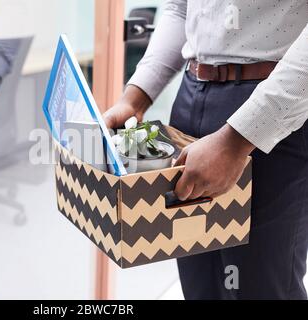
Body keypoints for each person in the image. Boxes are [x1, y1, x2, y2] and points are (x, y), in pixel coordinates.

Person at [104, 0, 308, 300]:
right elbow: (179, 8)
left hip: (269, 108)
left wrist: (236, 140)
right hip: (190, 96)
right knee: (200, 283)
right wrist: (135, 98)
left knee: (262, 286)